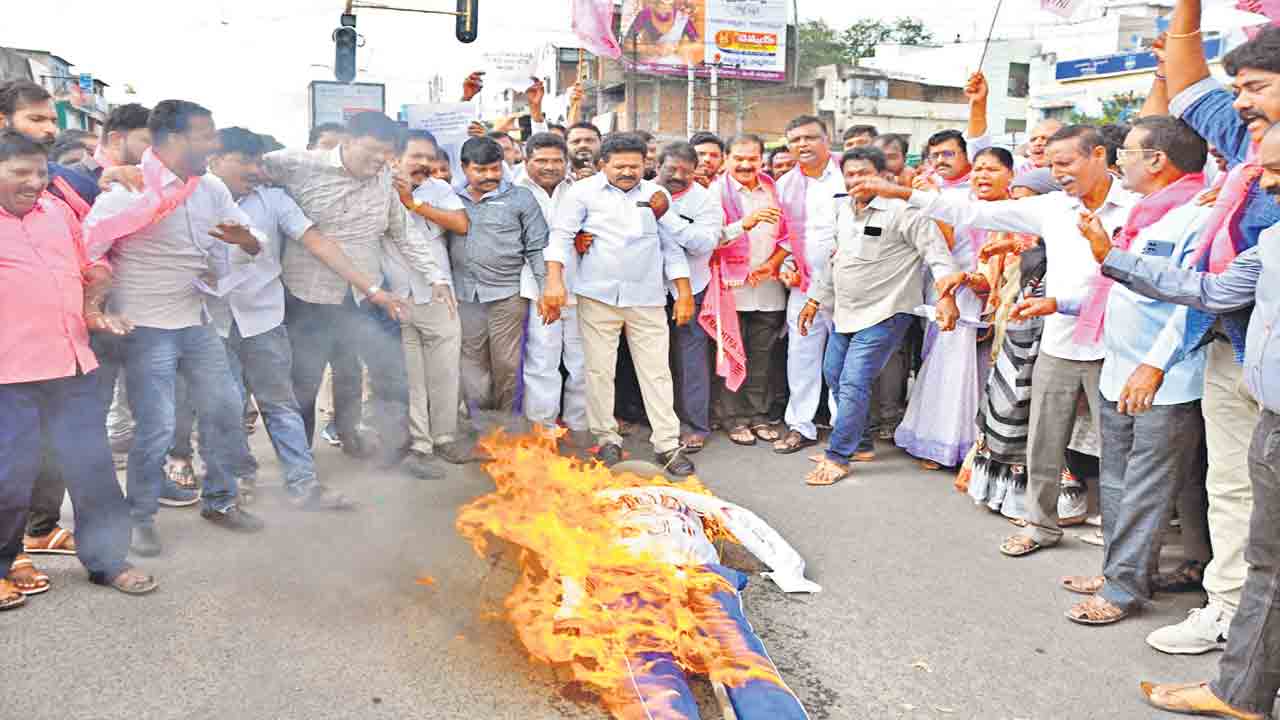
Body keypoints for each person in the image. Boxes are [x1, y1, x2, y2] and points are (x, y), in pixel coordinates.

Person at [863, 125, 1140, 556]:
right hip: (1057, 343)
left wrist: (1060, 303)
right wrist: (902, 194)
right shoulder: (1053, 207)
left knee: (1116, 451)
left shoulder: (1136, 208)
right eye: (1051, 165)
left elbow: (1134, 281)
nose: (1057, 173)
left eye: (1065, 163)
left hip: (1113, 346)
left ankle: (1122, 552)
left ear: (1100, 155)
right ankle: (1041, 526)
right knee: (1043, 442)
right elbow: (975, 214)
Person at [1085, 119, 1280, 720]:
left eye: (1271, 173)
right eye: (1258, 172)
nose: (1259, 186)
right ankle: (1241, 686)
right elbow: (1213, 292)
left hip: (1193, 381)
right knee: (1256, 541)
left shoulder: (1204, 210)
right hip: (1266, 406)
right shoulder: (1269, 240)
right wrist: (1114, 258)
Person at [1137, 2, 1280, 657]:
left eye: (1256, 86)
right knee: (1229, 487)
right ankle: (1228, 610)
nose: (1241, 100)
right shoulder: (1245, 140)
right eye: (1241, 89)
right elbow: (1190, 85)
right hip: (1232, 345)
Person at [1042, 117, 1213, 625]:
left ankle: (1123, 590)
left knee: (1147, 486)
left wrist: (1154, 366)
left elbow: (1192, 302)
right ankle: (1118, 569)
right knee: (1115, 481)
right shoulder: (1143, 212)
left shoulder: (1197, 215)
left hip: (1162, 376)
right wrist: (1059, 302)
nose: (1119, 162)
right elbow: (1118, 284)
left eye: (1128, 152)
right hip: (1119, 367)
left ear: (1158, 160)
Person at [84, 100, 269, 555]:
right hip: (146, 327)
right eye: (205, 135)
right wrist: (100, 302)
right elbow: (87, 248)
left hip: (197, 319)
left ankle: (221, 501)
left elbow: (252, 238)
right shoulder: (129, 191)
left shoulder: (209, 189)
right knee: (157, 426)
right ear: (173, 140)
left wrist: (244, 240)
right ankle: (141, 517)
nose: (214, 144)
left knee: (226, 408)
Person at [0, 129, 157, 606]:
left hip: (72, 363)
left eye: (41, 172)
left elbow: (94, 261)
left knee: (92, 469)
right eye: (19, 172)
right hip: (9, 375)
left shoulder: (59, 211)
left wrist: (94, 304)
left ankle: (109, 560)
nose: (34, 182)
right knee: (9, 474)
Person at [262, 111, 441, 470]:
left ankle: (386, 448)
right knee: (305, 380)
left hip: (366, 295)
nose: (379, 161)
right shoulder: (297, 164)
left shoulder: (386, 178)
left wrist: (436, 276)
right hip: (309, 294)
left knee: (385, 370)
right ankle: (299, 460)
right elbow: (237, 165)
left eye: (387, 154)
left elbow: (403, 232)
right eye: (372, 151)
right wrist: (131, 173)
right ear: (347, 141)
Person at [205, 127, 362, 510]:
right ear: (214, 160)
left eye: (259, 161)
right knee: (227, 406)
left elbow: (315, 239)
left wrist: (368, 287)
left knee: (280, 404)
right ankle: (238, 477)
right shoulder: (193, 198)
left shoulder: (274, 201)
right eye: (245, 161)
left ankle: (303, 484)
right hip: (211, 321)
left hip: (264, 319)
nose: (256, 169)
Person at [798, 147, 960, 487]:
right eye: (851, 173)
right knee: (834, 374)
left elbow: (938, 256)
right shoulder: (841, 209)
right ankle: (861, 442)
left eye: (865, 174)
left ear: (884, 177)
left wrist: (947, 298)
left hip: (887, 310)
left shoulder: (906, 213)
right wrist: (814, 301)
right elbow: (834, 261)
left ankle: (838, 457)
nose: (856, 180)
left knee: (855, 380)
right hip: (845, 311)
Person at [540, 133, 696, 476]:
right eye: (619, 166)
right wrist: (554, 281)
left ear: (646, 165)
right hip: (597, 295)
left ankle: (667, 445)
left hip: (648, 297)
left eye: (635, 166)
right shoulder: (581, 193)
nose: (628, 172)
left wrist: (683, 293)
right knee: (598, 371)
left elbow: (671, 248)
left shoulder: (658, 195)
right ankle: (607, 439)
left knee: (656, 372)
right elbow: (561, 237)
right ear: (602, 165)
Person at [949, 167, 1054, 519]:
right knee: (1002, 410)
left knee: (1026, 416)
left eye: (1027, 204)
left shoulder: (1062, 246)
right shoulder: (1015, 240)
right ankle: (997, 490)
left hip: (1039, 342)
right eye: (1016, 202)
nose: (1019, 210)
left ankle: (1038, 501)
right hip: (1010, 335)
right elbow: (993, 287)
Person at [386, 129, 470, 478]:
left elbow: (460, 225)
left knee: (446, 371)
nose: (422, 164)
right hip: (396, 296)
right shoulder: (376, 190)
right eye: (414, 156)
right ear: (395, 158)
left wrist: (414, 204)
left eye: (428, 157)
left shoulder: (440, 190)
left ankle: (445, 436)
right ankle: (421, 444)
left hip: (439, 295)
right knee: (413, 376)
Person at [450, 136, 548, 417]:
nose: (490, 176)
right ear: (465, 168)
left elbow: (537, 246)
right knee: (472, 364)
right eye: (481, 170)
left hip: (507, 294)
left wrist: (545, 290)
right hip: (465, 295)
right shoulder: (450, 198)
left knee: (506, 364)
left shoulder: (520, 198)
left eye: (496, 168)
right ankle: (480, 426)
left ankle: (505, 428)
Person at [708, 134, 789, 446]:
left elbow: (788, 236)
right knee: (730, 356)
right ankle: (732, 419)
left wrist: (775, 263)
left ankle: (757, 416)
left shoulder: (774, 190)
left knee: (761, 358)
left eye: (752, 159)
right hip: (731, 290)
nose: (745, 165)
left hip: (768, 289)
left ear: (761, 160)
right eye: (738, 158)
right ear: (727, 159)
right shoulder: (715, 194)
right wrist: (746, 222)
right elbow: (709, 239)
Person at [771, 115, 844, 456]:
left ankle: (844, 428)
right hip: (803, 284)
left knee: (842, 358)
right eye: (795, 139)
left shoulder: (848, 176)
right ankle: (800, 425)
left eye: (810, 137)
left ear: (826, 140)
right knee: (801, 354)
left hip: (847, 286)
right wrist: (786, 266)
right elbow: (783, 236)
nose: (802, 145)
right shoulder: (785, 184)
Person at [654, 141, 723, 451]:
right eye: (672, 169)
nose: (678, 175)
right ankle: (646, 417)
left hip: (691, 290)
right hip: (645, 290)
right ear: (658, 167)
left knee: (690, 359)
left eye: (686, 171)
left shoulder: (705, 201)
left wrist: (666, 216)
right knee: (647, 359)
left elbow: (702, 243)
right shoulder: (641, 192)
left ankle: (695, 425)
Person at [517, 132, 587, 439]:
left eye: (557, 160)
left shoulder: (581, 190)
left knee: (581, 361)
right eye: (541, 160)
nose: (550, 166)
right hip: (535, 289)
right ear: (526, 159)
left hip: (581, 285)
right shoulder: (513, 190)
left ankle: (580, 426)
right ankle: (542, 430)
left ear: (567, 162)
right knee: (542, 362)